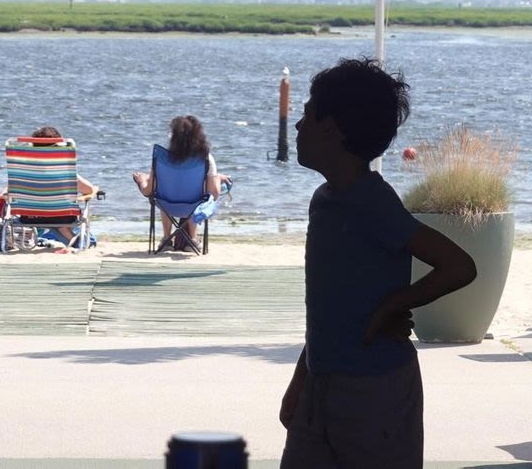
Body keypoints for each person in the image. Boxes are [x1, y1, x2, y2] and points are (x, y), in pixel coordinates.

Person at [278, 58, 477, 469]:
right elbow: (328, 307)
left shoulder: (373, 202)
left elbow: (458, 266)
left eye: (306, 115)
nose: (297, 127)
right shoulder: (325, 200)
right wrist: (301, 379)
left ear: (331, 128)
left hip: (376, 394)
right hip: (322, 385)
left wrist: (393, 304)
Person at [131, 115, 230, 252]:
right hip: (194, 206)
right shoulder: (205, 158)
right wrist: (217, 178)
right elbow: (214, 193)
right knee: (198, 195)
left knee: (162, 193)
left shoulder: (162, 158)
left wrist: (142, 181)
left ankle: (167, 239)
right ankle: (193, 240)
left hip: (166, 205)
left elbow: (148, 191)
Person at [0, 126, 97, 246]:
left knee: (45, 215)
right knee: (60, 218)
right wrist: (93, 190)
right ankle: (69, 236)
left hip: (30, 217)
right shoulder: (64, 170)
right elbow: (89, 190)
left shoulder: (23, 171)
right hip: (62, 217)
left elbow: (5, 193)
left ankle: (60, 233)